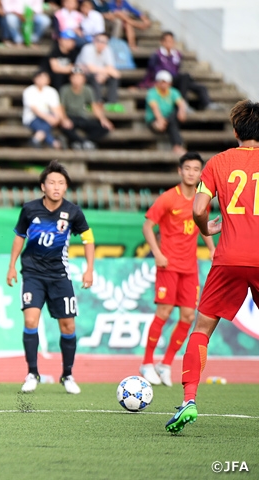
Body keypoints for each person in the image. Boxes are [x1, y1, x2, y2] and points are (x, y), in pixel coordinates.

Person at [165, 100, 259, 433]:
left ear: (235, 131)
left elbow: (199, 209)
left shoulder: (219, 162)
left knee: (202, 329)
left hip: (229, 257)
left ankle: (189, 399)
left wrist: (207, 229)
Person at [7, 160, 95, 394]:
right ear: (43, 186)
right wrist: (12, 266)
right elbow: (19, 236)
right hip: (33, 274)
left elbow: (88, 239)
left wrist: (89, 269)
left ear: (66, 187)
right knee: (30, 321)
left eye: (61, 183)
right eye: (52, 182)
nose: (56, 186)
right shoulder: (29, 209)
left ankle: (67, 375)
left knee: (67, 326)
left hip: (59, 276)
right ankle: (32, 373)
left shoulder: (73, 212)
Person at [140, 152, 215, 387]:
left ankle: (166, 364)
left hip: (189, 268)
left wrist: (213, 249)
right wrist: (158, 253)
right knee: (163, 312)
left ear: (201, 173)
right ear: (179, 171)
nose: (192, 172)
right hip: (168, 266)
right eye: (188, 168)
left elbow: (204, 227)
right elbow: (147, 226)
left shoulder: (201, 200)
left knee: (188, 317)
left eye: (196, 169)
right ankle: (147, 362)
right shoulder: (168, 198)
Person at [140, 31, 219, 112]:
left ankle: (207, 104)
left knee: (200, 87)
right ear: (162, 42)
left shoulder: (177, 54)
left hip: (177, 80)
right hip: (164, 80)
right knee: (185, 76)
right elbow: (152, 71)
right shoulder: (157, 55)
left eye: (171, 41)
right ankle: (184, 105)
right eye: (167, 41)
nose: (169, 43)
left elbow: (177, 69)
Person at [59, 67, 113, 150]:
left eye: (79, 77)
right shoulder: (65, 89)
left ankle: (82, 141)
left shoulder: (88, 90)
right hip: (70, 117)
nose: (77, 79)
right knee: (64, 127)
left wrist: (103, 119)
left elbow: (94, 106)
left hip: (82, 117)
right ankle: (84, 143)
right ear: (70, 78)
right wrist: (64, 119)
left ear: (84, 79)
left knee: (104, 128)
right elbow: (61, 107)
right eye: (74, 77)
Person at [146, 70, 188, 156]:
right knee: (171, 122)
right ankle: (177, 145)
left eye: (165, 82)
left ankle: (177, 146)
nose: (163, 84)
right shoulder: (152, 92)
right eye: (161, 82)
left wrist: (182, 112)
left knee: (172, 118)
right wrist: (160, 120)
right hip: (154, 118)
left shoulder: (173, 92)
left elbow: (181, 104)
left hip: (168, 118)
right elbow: (155, 108)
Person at [75, 32, 120, 106]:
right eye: (98, 41)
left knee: (113, 78)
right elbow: (90, 68)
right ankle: (97, 102)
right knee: (95, 76)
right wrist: (106, 72)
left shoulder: (108, 50)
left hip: (98, 73)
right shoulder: (87, 48)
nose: (101, 43)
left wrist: (104, 75)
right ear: (94, 41)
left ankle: (111, 102)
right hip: (80, 72)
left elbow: (114, 71)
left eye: (104, 42)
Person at [22, 70, 63, 149]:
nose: (41, 80)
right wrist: (49, 118)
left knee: (46, 124)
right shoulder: (28, 91)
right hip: (32, 117)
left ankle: (36, 139)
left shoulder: (52, 91)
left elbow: (55, 108)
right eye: (39, 78)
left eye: (44, 78)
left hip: (48, 117)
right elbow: (34, 110)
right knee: (42, 124)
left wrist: (57, 118)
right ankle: (54, 142)